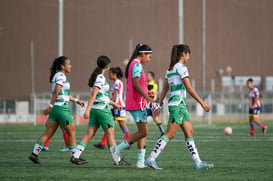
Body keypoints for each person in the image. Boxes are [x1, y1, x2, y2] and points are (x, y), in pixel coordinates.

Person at [144, 44, 214, 170]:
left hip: (179, 105)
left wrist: (158, 105)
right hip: (178, 105)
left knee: (189, 132)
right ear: (184, 54)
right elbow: (188, 87)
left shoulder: (170, 69)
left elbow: (165, 88)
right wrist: (202, 103)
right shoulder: (181, 68)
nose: (189, 57)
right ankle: (150, 159)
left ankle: (198, 162)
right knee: (169, 134)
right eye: (188, 54)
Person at [71, 56, 130, 166]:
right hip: (102, 110)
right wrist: (87, 110)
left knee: (89, 133)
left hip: (96, 110)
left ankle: (75, 156)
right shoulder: (101, 78)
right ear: (107, 66)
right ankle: (117, 160)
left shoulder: (96, 77)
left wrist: (114, 104)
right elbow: (94, 94)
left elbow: (101, 96)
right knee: (110, 134)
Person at [28, 56, 87, 165]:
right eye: (68, 64)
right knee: (71, 132)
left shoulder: (59, 75)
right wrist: (50, 106)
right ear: (62, 66)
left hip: (56, 109)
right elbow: (56, 92)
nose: (70, 66)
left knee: (48, 133)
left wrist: (76, 100)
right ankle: (74, 157)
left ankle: (34, 154)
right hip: (61, 108)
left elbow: (62, 94)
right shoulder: (61, 76)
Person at [112, 44, 158, 169]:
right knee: (143, 132)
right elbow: (136, 84)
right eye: (149, 57)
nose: (149, 59)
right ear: (143, 54)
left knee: (143, 132)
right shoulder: (137, 65)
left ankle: (140, 162)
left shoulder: (135, 64)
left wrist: (148, 93)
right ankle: (117, 149)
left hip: (138, 102)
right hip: (138, 103)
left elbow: (137, 86)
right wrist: (148, 99)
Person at [93, 67, 130, 149]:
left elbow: (116, 93)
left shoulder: (117, 82)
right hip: (115, 106)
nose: (108, 75)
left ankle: (128, 142)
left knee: (122, 125)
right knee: (108, 124)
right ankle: (103, 143)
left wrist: (111, 102)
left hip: (118, 106)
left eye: (110, 73)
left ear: (114, 74)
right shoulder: (116, 82)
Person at [147, 71, 165, 135]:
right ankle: (162, 131)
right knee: (155, 117)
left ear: (152, 77)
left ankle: (163, 131)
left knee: (152, 117)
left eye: (148, 76)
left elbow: (148, 92)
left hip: (152, 103)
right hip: (151, 103)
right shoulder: (150, 84)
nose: (147, 77)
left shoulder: (151, 84)